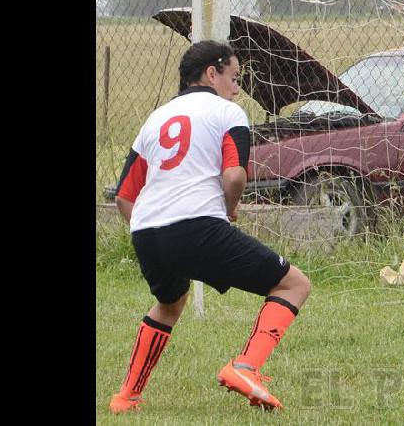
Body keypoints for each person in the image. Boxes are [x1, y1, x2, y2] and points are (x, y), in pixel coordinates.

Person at [108, 40, 312, 413]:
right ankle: (245, 367)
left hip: (146, 231)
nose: (237, 88)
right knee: (295, 283)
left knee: (169, 304)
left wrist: (149, 230)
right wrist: (228, 210)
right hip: (197, 226)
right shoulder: (227, 113)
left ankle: (126, 397)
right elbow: (234, 176)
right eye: (234, 78)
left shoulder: (155, 119)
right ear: (211, 73)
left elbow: (124, 197)